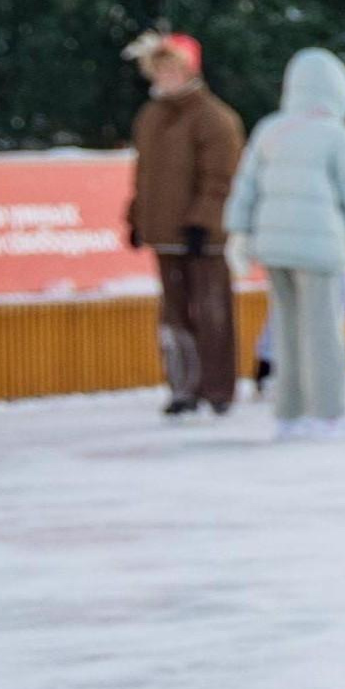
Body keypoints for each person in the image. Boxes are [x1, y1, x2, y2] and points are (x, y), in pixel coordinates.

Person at [226, 47, 345, 440]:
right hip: (320, 246)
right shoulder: (335, 133)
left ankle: (289, 413)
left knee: (287, 328)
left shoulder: (270, 128)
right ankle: (328, 413)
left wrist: (238, 233)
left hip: (273, 246)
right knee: (323, 330)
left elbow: (246, 185)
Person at [122, 30, 244, 418]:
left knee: (211, 311)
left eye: (173, 68)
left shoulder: (214, 118)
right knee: (173, 316)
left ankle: (218, 388)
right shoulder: (151, 116)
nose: (166, 76)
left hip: (202, 236)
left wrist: (203, 222)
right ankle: (182, 388)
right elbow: (145, 175)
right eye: (159, 69)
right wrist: (138, 217)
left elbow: (220, 178)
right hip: (165, 233)